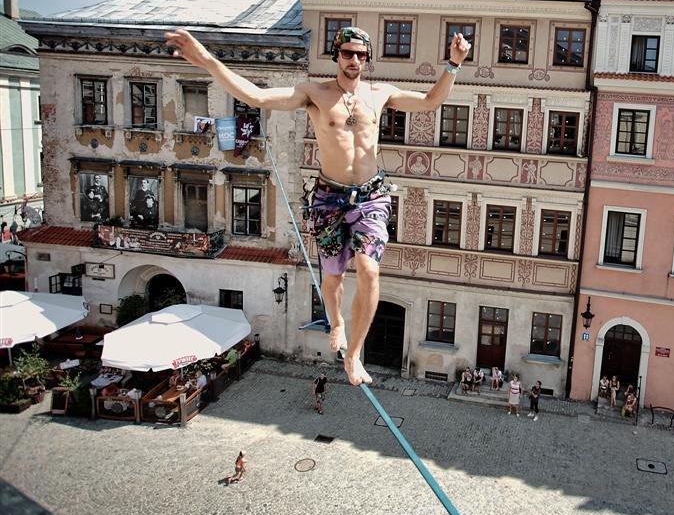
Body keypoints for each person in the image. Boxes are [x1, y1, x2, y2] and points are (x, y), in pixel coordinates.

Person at [165, 25, 470, 386]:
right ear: (336, 56)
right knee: (333, 277)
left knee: (369, 270)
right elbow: (258, 97)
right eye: (347, 53)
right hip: (329, 198)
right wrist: (208, 61)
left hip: (371, 196)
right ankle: (336, 322)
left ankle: (355, 355)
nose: (354, 60)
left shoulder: (381, 93)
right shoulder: (314, 94)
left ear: (367, 57)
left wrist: (453, 64)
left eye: (360, 54)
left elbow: (431, 102)